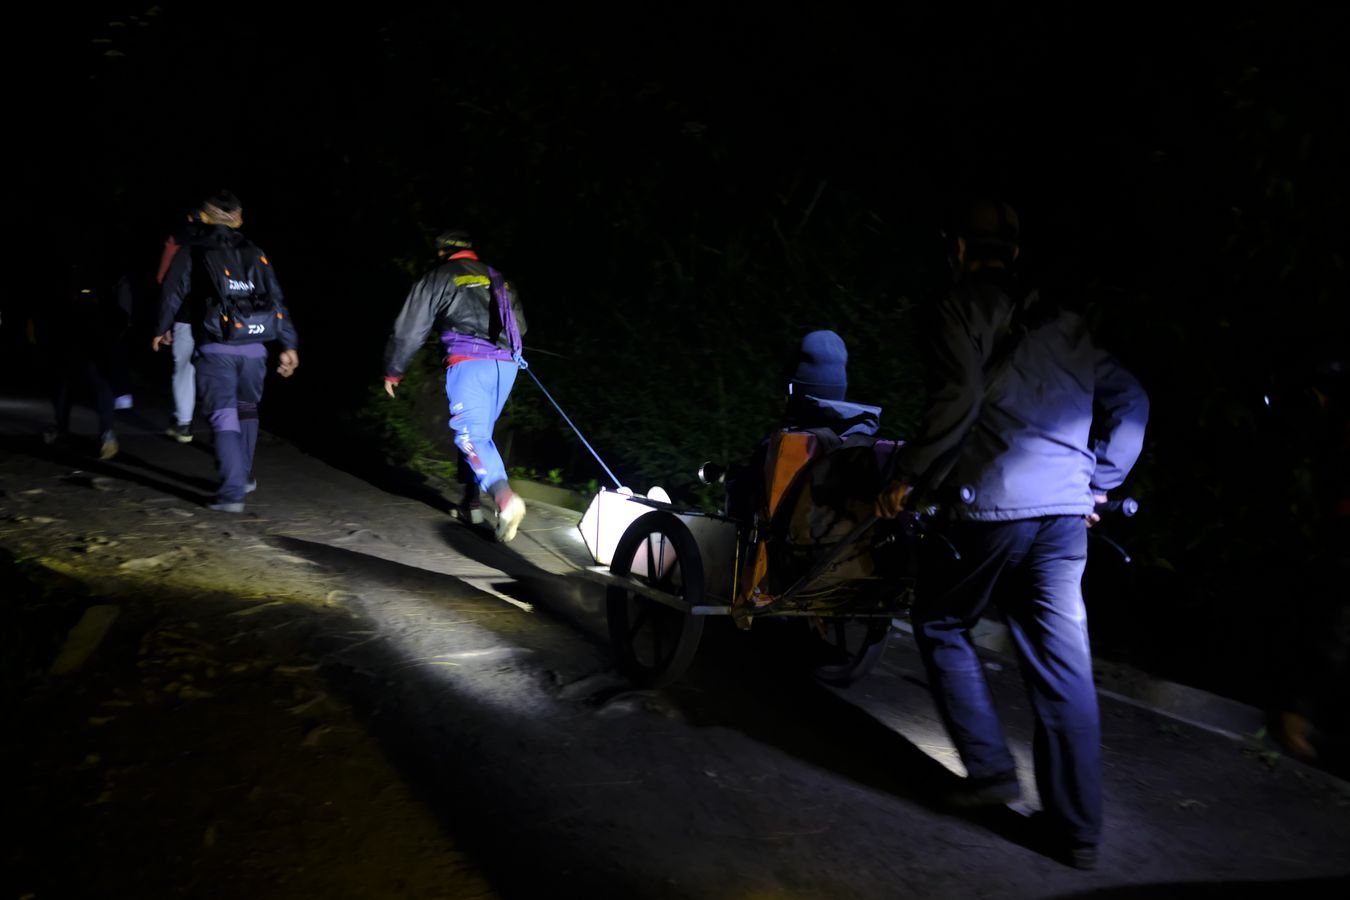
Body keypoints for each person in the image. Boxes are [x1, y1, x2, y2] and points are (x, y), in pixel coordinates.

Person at [877, 201, 1149, 869]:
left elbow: (958, 401)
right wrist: (1098, 483)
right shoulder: (1068, 324)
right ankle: (1078, 832)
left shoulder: (956, 309)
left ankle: (992, 770)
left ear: (959, 249)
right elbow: (1133, 401)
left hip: (990, 504)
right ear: (1014, 253)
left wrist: (906, 476)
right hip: (1063, 515)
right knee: (1064, 670)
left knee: (940, 621)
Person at [153, 190, 299, 512]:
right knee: (247, 408)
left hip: (217, 346)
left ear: (202, 217)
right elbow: (276, 299)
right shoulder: (255, 251)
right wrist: (288, 345)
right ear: (239, 219)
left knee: (223, 413)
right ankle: (243, 476)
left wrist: (161, 328)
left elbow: (172, 293)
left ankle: (233, 492)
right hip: (256, 347)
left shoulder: (192, 250)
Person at [382, 230, 528, 542]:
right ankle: (471, 504)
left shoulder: (440, 276)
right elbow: (521, 325)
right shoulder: (497, 276)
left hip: (469, 363)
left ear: (441, 252)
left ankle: (504, 499)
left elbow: (410, 327)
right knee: (481, 437)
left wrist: (394, 370)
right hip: (507, 366)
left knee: (470, 437)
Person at [155, 205, 211, 442]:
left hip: (186, 315)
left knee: (184, 369)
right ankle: (224, 425)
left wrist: (163, 325)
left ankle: (184, 423)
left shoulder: (179, 241)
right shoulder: (229, 242)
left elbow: (165, 281)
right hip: (221, 319)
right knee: (216, 369)